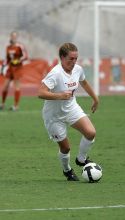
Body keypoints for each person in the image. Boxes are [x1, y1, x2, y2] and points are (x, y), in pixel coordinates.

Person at [38, 43, 99, 181]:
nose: (73, 62)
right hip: (54, 116)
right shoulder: (55, 73)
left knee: (90, 132)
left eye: (76, 58)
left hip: (71, 108)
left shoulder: (78, 69)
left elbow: (84, 83)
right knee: (66, 148)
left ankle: (81, 160)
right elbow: (40, 93)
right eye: (70, 59)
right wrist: (60, 95)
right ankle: (67, 170)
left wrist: (95, 98)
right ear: (62, 57)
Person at [0, 31, 28, 111]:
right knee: (5, 86)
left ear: (17, 37)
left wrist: (18, 60)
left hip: (17, 69)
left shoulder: (20, 46)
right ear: (10, 37)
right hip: (10, 68)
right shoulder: (8, 47)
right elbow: (7, 59)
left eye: (15, 36)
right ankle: (2, 104)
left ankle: (16, 106)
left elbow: (25, 56)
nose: (13, 38)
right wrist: (3, 66)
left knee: (17, 86)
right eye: (12, 36)